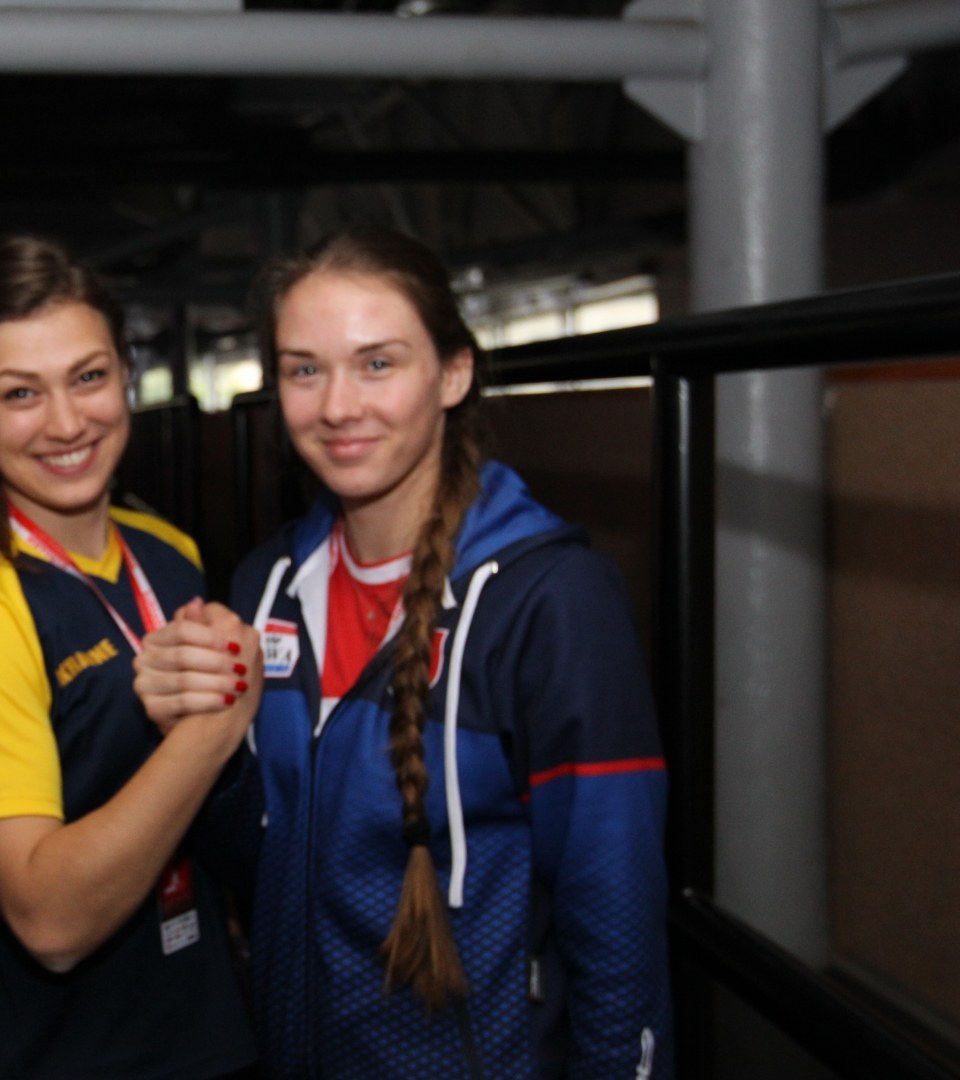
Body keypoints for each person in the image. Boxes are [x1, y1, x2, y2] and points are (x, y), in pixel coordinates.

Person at [134, 227, 672, 1078]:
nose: (338, 406)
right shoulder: (266, 585)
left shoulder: (551, 604)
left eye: (377, 363)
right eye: (304, 369)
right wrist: (202, 740)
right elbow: (256, 870)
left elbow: (616, 913)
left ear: (453, 373)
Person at [0, 235, 259, 1080]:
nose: (66, 423)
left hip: (211, 1032)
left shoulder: (167, 553)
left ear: (125, 374)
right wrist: (209, 734)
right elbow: (49, 922)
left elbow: (224, 830)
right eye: (20, 393)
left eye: (89, 377)